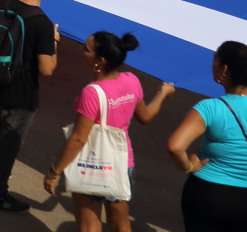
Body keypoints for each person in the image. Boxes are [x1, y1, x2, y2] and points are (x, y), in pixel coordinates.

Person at [45, 32, 174, 232]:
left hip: (91, 166)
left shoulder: (92, 93)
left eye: (86, 49)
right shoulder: (131, 80)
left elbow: (79, 139)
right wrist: (162, 94)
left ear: (100, 61)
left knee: (90, 225)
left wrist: (55, 172)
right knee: (120, 224)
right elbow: (145, 116)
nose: (82, 50)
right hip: (122, 165)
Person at [165, 40, 247, 232]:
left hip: (207, 195)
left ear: (224, 68)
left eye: (215, 59)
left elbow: (175, 146)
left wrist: (188, 166)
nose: (212, 64)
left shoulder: (209, 108)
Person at [0, 0, 59, 212]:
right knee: (10, 142)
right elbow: (47, 69)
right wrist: (54, 41)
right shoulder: (42, 24)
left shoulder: (2, 3)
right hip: (22, 93)